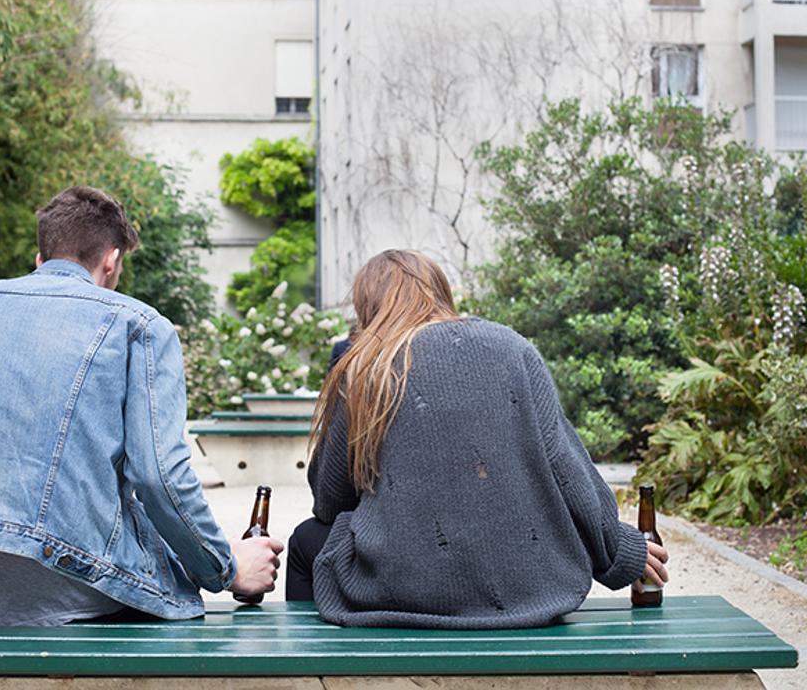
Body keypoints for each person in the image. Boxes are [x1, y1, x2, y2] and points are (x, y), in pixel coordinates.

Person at [0, 186, 283, 626]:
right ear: (111, 260)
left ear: (41, 259)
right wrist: (227, 568)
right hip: (74, 587)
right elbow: (159, 478)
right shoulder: (140, 326)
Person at [285, 249, 669, 628]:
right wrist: (619, 552)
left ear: (367, 307)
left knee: (306, 540)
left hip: (404, 588)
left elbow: (330, 501)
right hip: (529, 590)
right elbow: (566, 469)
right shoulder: (512, 347)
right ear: (439, 292)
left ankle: (314, 669)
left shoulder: (366, 368)